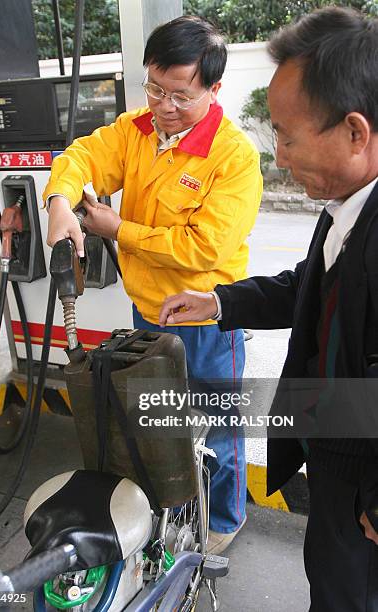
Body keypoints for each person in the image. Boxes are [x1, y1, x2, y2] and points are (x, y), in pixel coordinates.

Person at [159, 6, 378, 610]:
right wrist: (219, 301)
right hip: (335, 459)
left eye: (285, 134)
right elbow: (308, 285)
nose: (277, 155)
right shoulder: (348, 207)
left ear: (355, 132)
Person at [44, 16, 263, 554]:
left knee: (218, 427)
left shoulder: (234, 158)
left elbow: (202, 248)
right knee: (162, 418)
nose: (164, 106)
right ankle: (171, 507)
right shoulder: (137, 129)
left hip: (209, 319)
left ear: (214, 89)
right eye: (155, 89)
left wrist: (118, 230)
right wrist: (57, 201)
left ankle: (225, 519)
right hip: (148, 312)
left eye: (180, 96)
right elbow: (83, 156)